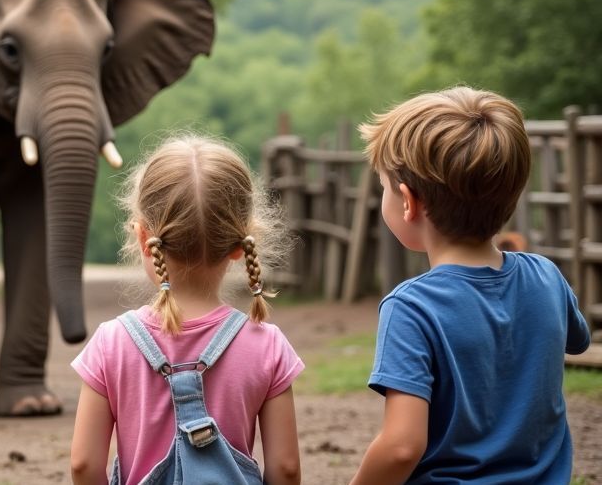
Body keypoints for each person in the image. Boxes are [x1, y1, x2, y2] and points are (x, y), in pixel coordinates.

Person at [351, 87, 592, 484]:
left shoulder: (411, 307)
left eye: (383, 186)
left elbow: (401, 447)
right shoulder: (546, 277)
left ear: (409, 202)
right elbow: (577, 341)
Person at [70, 135, 303, 485]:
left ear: (143, 238)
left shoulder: (111, 342)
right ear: (241, 245)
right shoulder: (266, 344)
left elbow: (84, 466)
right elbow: (285, 469)